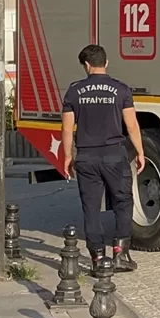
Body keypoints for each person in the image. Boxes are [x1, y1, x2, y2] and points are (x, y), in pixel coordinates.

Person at [61, 44, 145, 276]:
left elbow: (67, 129)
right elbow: (131, 125)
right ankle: (120, 253)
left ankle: (97, 257)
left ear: (86, 66)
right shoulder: (121, 89)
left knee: (91, 208)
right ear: (106, 63)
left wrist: (68, 157)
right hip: (114, 155)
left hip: (87, 156)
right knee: (123, 202)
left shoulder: (74, 91)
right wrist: (139, 152)